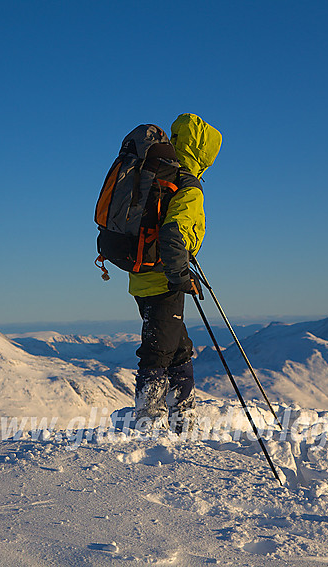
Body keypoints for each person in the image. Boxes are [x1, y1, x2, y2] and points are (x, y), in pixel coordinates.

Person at [130, 113, 222, 433]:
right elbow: (173, 232)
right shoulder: (187, 184)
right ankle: (149, 428)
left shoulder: (161, 173)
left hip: (143, 273)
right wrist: (181, 274)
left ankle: (184, 420)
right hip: (162, 279)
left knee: (178, 347)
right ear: (204, 153)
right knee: (158, 352)